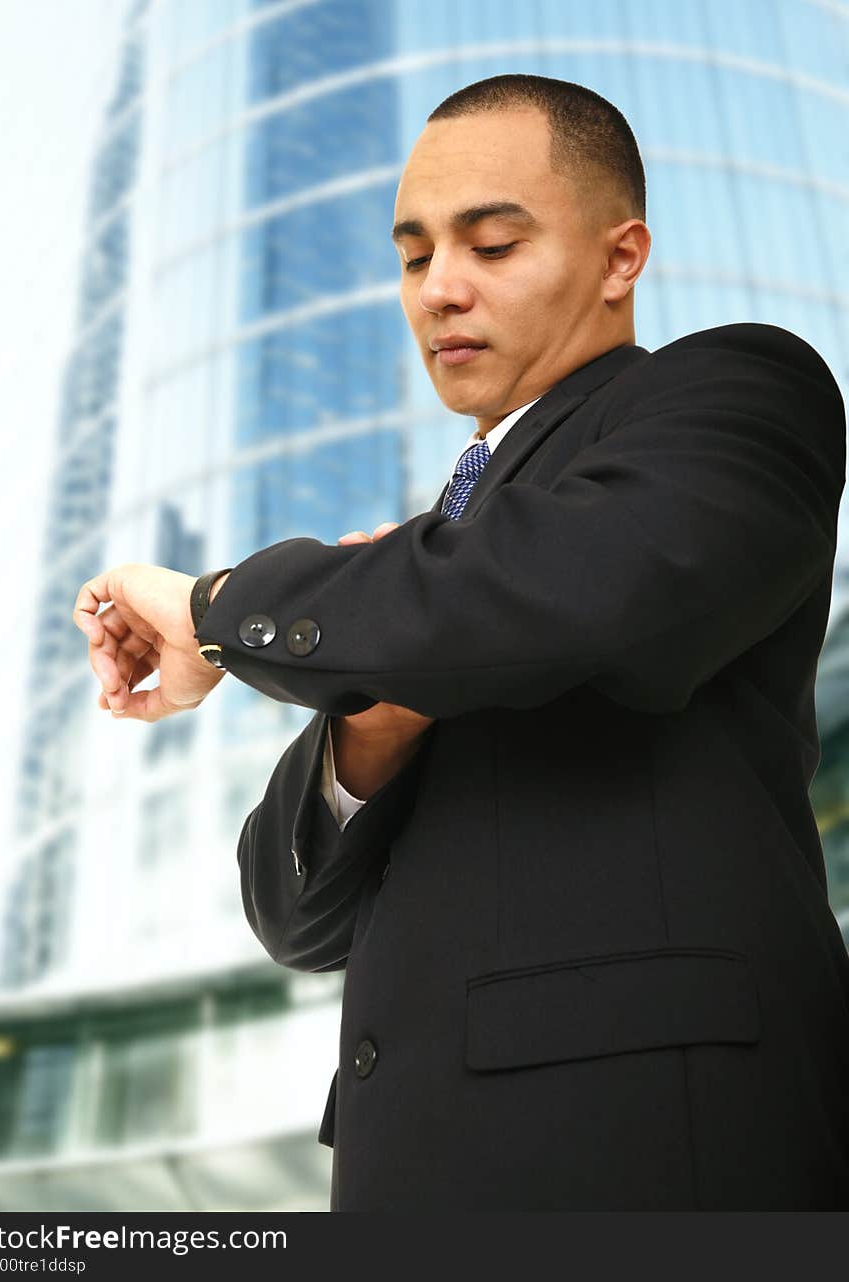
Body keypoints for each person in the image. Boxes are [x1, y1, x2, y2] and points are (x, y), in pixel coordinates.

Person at [73, 74, 849, 1211]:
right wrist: (384, 698)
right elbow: (292, 915)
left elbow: (579, 589)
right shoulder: (433, 568)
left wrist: (213, 609)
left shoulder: (736, 391)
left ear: (620, 257)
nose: (440, 290)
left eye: (491, 244)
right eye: (413, 254)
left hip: (652, 1157)